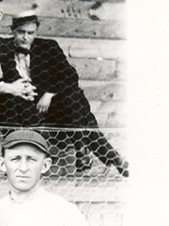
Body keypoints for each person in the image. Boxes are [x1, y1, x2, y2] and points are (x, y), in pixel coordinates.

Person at [7, 12, 128, 176]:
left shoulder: (48, 47)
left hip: (53, 107)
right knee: (83, 113)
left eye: (31, 33)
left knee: (72, 96)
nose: (26, 38)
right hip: (25, 107)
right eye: (21, 32)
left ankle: (83, 152)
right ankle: (104, 155)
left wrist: (49, 94)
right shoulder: (3, 49)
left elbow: (70, 75)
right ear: (13, 30)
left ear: (36, 32)